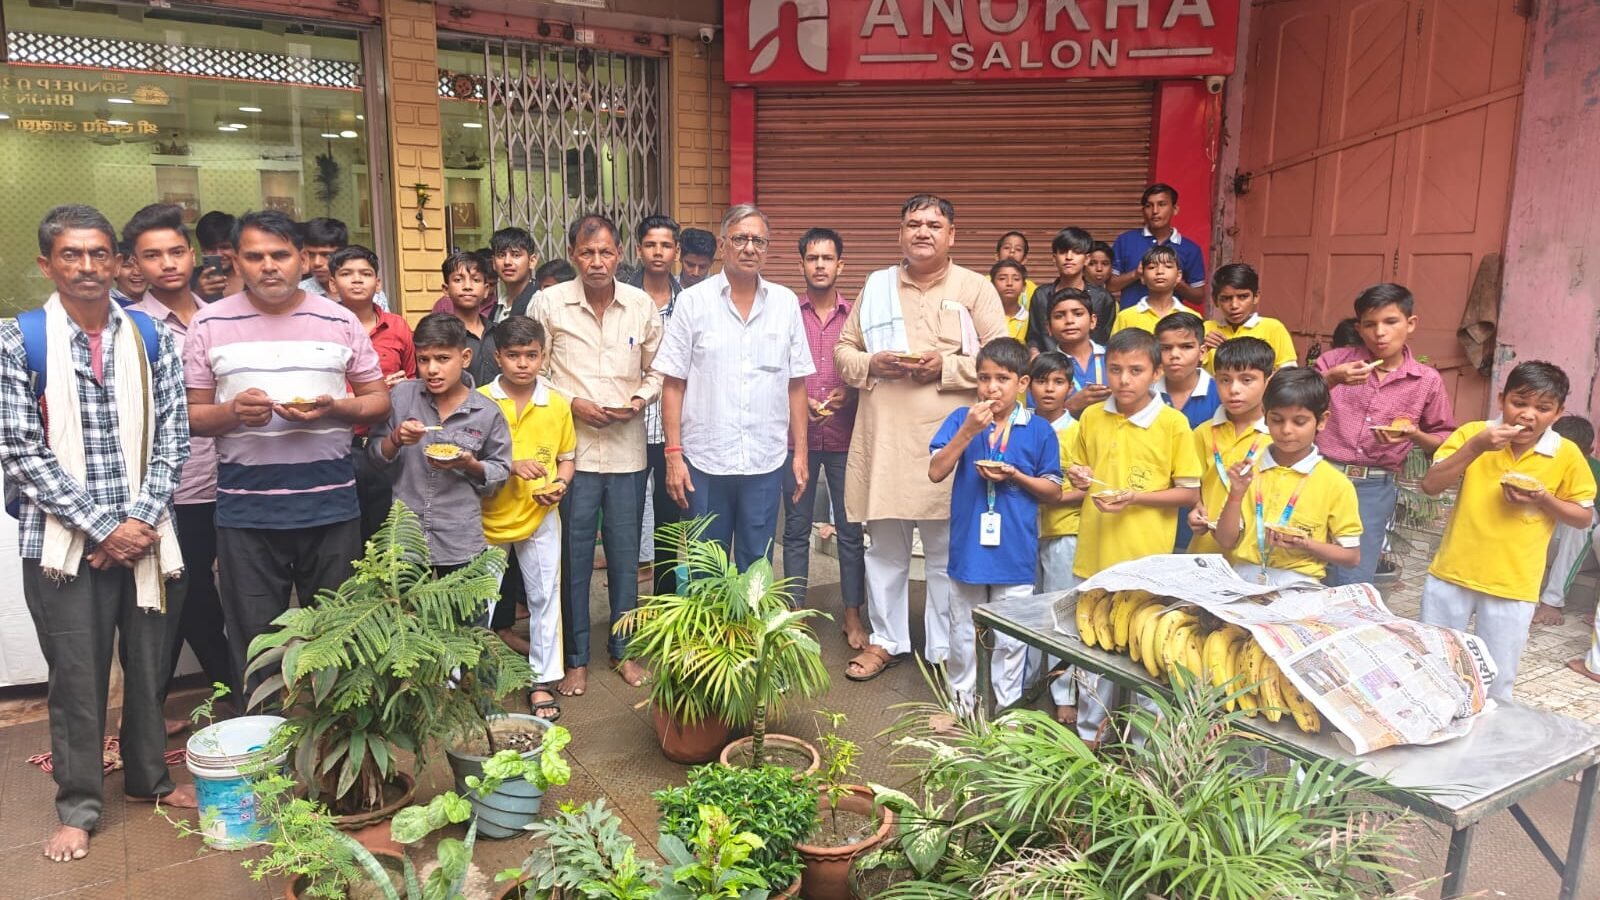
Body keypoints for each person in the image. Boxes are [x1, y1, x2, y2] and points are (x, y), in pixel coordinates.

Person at [2, 204, 196, 863]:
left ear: (118, 262)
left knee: (148, 670)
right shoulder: (17, 340)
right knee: (75, 679)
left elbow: (174, 437)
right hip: (62, 547)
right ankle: (79, 807)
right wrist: (103, 529)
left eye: (99, 254)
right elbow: (21, 452)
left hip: (148, 539)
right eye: (71, 255)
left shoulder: (151, 338)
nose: (87, 266)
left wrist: (137, 523)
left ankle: (149, 780)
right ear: (47, 263)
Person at [184, 209, 391, 697]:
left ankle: (337, 744)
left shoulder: (339, 320)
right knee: (258, 646)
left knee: (339, 636)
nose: (268, 266)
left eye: (280, 254)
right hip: (246, 512)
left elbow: (379, 400)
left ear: (303, 259)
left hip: (332, 504)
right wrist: (232, 412)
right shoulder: (209, 323)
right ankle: (266, 750)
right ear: (236, 260)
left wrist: (334, 408)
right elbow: (191, 417)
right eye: (254, 256)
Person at [833, 194, 1008, 682]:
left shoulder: (975, 288)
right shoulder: (877, 284)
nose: (923, 232)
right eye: (913, 224)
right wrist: (872, 363)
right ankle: (887, 639)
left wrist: (946, 366)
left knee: (943, 554)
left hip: (949, 445)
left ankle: (942, 649)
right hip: (885, 440)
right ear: (900, 233)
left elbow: (1005, 362)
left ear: (952, 235)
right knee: (884, 550)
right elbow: (844, 352)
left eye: (934, 224)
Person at [529, 213, 661, 698]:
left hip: (627, 451)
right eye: (587, 253)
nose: (597, 262)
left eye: (606, 252)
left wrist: (638, 401)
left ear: (619, 253)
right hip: (573, 454)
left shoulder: (641, 304)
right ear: (572, 255)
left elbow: (658, 369)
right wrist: (573, 402)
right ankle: (576, 657)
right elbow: (531, 369)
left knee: (626, 559)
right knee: (573, 558)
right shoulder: (548, 303)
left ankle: (623, 652)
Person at [1419, 361, 1596, 703]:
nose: (1528, 415)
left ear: (1558, 413)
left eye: (1543, 408)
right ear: (1501, 399)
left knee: (1497, 684)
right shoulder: (1474, 434)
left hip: (1514, 585)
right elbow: (1431, 484)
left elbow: (1582, 518)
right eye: (1519, 403)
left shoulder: (1566, 454)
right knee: (1435, 670)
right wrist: (1476, 448)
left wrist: (1544, 498)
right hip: (1452, 573)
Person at [658, 204, 813, 570]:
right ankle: (708, 630)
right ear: (723, 244)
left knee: (756, 568)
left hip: (764, 460)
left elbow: (796, 385)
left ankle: (752, 630)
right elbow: (673, 383)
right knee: (705, 570)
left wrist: (801, 453)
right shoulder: (693, 302)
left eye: (758, 240)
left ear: (768, 248)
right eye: (740, 238)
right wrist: (673, 456)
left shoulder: (785, 304)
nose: (749, 248)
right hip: (704, 461)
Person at [1064, 328, 1200, 744]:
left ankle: (1145, 744)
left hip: (1147, 561)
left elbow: (1189, 491)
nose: (1124, 380)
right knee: (1093, 649)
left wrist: (1136, 498)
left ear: (1156, 373)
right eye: (1116, 369)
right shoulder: (1091, 415)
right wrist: (1079, 474)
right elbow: (1077, 467)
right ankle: (1091, 733)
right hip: (1095, 553)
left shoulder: (1173, 423)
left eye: (1136, 370)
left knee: (1146, 651)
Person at [125, 203, 235, 705]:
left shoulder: (222, 317)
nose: (167, 263)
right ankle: (225, 694)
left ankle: (223, 694)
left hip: (234, 475)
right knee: (181, 589)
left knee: (217, 591)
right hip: (178, 484)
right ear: (134, 264)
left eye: (175, 251)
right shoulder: (130, 327)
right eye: (153, 255)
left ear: (192, 255)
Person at [930, 338, 1062, 710]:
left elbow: (1052, 490)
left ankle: (1008, 711)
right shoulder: (961, 419)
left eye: (1002, 378)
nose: (991, 387)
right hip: (969, 547)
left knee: (1010, 638)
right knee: (962, 629)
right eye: (984, 378)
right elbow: (936, 471)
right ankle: (961, 705)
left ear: (1022, 383)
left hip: (1015, 550)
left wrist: (1016, 475)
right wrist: (968, 432)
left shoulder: (1038, 430)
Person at [1314, 283, 1454, 586]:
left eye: (1391, 322)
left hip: (1373, 488)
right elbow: (1293, 401)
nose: (1380, 332)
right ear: (1359, 328)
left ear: (1410, 324)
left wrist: (1414, 435)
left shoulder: (1426, 381)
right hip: (1318, 476)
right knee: (1302, 565)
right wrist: (1330, 380)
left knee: (1353, 578)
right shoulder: (1335, 363)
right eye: (1370, 324)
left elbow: (1444, 440)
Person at [479, 315, 576, 718]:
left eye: (531, 355)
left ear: (543, 356)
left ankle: (542, 681)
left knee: (544, 595)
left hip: (540, 513)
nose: (523, 363)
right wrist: (510, 465)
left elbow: (567, 458)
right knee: (476, 601)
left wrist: (562, 485)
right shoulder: (479, 400)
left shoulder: (556, 402)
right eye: (514, 355)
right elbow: (468, 458)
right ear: (498, 356)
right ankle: (467, 679)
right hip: (487, 516)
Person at [369, 311, 510, 572]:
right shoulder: (402, 397)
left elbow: (500, 471)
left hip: (459, 538)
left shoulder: (486, 412)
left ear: (465, 358)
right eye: (424, 360)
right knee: (407, 612)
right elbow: (375, 456)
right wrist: (396, 439)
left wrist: (470, 464)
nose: (432, 369)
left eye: (443, 359)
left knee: (463, 612)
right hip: (406, 538)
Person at [783, 227, 866, 645]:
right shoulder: (785, 315)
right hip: (794, 441)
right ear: (801, 264)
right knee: (796, 530)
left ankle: (853, 615)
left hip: (844, 436)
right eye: (812, 258)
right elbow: (773, 372)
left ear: (840, 265)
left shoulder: (856, 317)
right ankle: (794, 617)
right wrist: (795, 403)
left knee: (850, 531)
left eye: (827, 258)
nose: (819, 265)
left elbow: (868, 370)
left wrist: (849, 392)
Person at [1212, 368, 1362, 587]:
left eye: (1299, 422)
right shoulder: (1248, 472)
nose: (1286, 430)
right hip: (1243, 577)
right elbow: (1226, 541)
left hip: (1299, 584)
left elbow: (1351, 557)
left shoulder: (1336, 484)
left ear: (1321, 421)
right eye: (1277, 420)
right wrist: (1235, 495)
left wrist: (1305, 544)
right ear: (1265, 416)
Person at [330, 245, 415, 542]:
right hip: (340, 444)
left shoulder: (398, 327)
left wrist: (399, 389)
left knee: (388, 533)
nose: (356, 280)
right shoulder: (323, 329)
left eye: (365, 274)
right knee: (346, 535)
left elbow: (413, 380)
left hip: (386, 444)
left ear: (378, 282)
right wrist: (374, 394)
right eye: (346, 274)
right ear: (332, 283)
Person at [627, 215, 684, 596]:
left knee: (668, 521)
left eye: (666, 245)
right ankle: (624, 605)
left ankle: (664, 602)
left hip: (673, 430)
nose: (658, 252)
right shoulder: (622, 300)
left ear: (676, 252)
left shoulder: (691, 302)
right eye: (651, 244)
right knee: (626, 521)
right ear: (638, 250)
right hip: (627, 427)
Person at [1028, 351, 1085, 724]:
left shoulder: (1079, 431)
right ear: (1027, 385)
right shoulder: (1022, 425)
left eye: (1058, 382)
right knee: (1026, 611)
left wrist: (1055, 495)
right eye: (1041, 381)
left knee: (1062, 614)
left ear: (1070, 386)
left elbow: (1089, 486)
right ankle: (1028, 681)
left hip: (1064, 530)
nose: (1049, 389)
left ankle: (1065, 692)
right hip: (1022, 533)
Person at [1186, 337, 1274, 558]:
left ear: (1269, 381)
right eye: (1225, 380)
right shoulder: (1203, 433)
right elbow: (1192, 484)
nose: (1234, 389)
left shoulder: (1278, 436)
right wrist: (1195, 508)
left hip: (1256, 555)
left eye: (1247, 380)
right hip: (1206, 551)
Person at [1533, 416, 1600, 627]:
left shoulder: (1596, 472)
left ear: (1589, 452)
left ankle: (1552, 601)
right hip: (1536, 545)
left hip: (1580, 552)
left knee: (1584, 516)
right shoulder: (1536, 461)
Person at [1108, 183, 1206, 310]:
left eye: (1162, 204)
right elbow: (1110, 285)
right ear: (1143, 211)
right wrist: (1136, 274)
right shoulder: (1126, 240)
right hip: (1133, 322)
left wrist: (1175, 280)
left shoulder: (1190, 249)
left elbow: (1198, 297)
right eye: (1149, 206)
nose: (1155, 211)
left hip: (1171, 324)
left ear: (1175, 209)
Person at [1027, 227, 1115, 353]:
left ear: (1087, 259)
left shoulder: (1102, 298)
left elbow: (1104, 340)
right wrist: (1034, 354)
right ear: (1054, 258)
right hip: (1049, 366)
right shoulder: (1041, 295)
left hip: (1089, 368)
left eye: (1076, 252)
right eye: (1063, 252)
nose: (1069, 257)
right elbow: (1033, 337)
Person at [1203, 263, 1297, 371]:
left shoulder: (1273, 328)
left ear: (1256, 297)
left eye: (1243, 297)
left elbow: (1288, 375)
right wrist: (1199, 351)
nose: (1234, 305)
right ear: (1215, 300)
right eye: (1226, 298)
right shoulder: (1205, 329)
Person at [297, 217, 390, 312]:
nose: (317, 263)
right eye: (311, 254)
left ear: (342, 253)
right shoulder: (298, 293)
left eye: (326, 255)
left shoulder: (368, 291)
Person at [1044, 288, 1109, 419]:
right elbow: (1035, 422)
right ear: (1049, 328)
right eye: (1059, 316)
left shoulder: (1113, 357)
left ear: (1092, 321)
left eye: (1078, 314)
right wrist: (1070, 407)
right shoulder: (1043, 367)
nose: (1069, 321)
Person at [440, 249, 501, 387]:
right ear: (446, 289)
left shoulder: (499, 333)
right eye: (458, 280)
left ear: (486, 290)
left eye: (476, 280)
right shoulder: (440, 335)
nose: (467, 286)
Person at [1110, 245, 1185, 334]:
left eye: (1168, 266)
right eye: (1152, 267)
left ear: (1178, 276)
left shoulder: (1191, 316)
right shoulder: (1125, 317)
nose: (1160, 271)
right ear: (1142, 277)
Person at [193, 210, 243, 301]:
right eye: (211, 248)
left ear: (237, 246)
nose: (218, 254)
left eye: (225, 247)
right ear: (202, 248)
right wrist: (198, 294)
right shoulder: (190, 278)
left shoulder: (250, 275)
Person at [492, 226, 539, 322]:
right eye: (501, 255)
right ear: (493, 263)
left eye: (516, 255)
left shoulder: (540, 301)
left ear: (532, 261)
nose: (507, 262)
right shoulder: (498, 307)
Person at [994, 230, 1039, 307]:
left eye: (1018, 249)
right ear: (997, 256)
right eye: (1007, 247)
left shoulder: (1032, 289)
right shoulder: (983, 283)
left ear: (1025, 260)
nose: (1012, 251)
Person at [991, 259, 1030, 342]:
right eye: (1002, 278)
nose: (1009, 283)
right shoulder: (984, 317)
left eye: (1016, 279)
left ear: (1024, 287)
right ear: (992, 285)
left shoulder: (1030, 319)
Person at [111, 240, 146, 307]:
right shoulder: (102, 304)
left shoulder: (162, 304)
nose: (136, 273)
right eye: (127, 266)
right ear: (115, 269)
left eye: (141, 265)